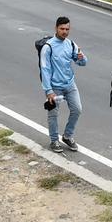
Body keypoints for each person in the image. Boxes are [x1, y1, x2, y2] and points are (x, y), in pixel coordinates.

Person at [40, 16, 87, 153]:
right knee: (53, 114)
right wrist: (48, 90)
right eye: (62, 29)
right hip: (54, 87)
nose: (65, 32)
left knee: (77, 109)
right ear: (56, 28)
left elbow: (83, 62)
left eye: (67, 29)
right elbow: (45, 69)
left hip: (70, 84)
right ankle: (54, 140)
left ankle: (67, 136)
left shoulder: (71, 44)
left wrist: (81, 58)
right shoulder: (48, 47)